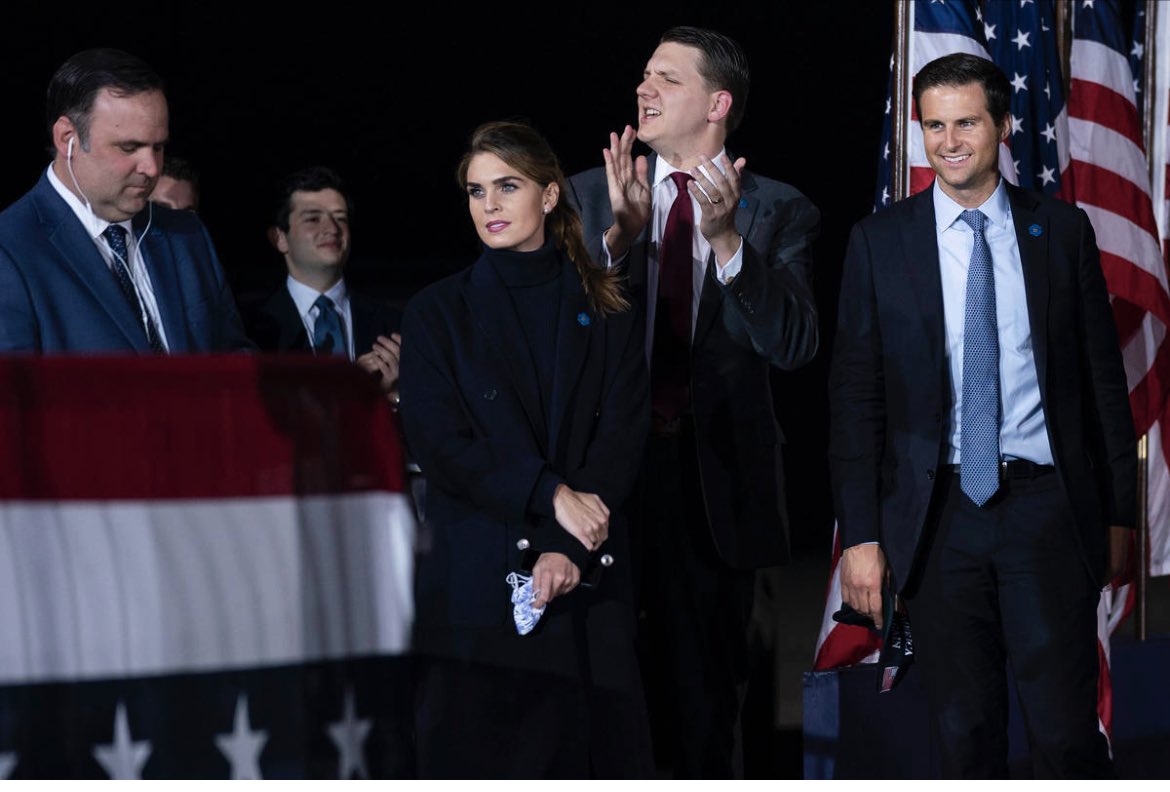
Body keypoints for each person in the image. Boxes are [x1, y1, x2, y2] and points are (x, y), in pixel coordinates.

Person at [829, 53, 1136, 778]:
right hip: (937, 517)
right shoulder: (879, 242)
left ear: (1002, 125)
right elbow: (854, 400)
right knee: (964, 733)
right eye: (934, 125)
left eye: (966, 121)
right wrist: (862, 535)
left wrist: (1121, 511)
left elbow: (1103, 388)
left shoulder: (1061, 232)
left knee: (1064, 733)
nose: (949, 140)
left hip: (1044, 510)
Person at [567, 26, 820, 777]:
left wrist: (728, 243)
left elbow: (795, 344)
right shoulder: (587, 196)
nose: (643, 90)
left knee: (705, 706)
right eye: (644, 74)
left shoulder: (777, 211)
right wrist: (617, 243)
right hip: (611, 480)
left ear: (718, 103)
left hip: (716, 493)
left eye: (666, 79)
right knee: (609, 697)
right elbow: (561, 346)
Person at [399, 120, 653, 778]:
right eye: (476, 191)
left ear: (548, 196)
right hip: (477, 583)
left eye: (506, 187)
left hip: (589, 583)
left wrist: (569, 546)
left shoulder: (608, 304)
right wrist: (550, 496)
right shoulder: (436, 311)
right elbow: (441, 443)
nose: (488, 205)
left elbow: (622, 435)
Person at [0, 47, 251, 353]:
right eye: (129, 147)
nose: (152, 168)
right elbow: (14, 396)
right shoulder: (10, 249)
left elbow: (237, 361)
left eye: (158, 147)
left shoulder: (187, 234)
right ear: (68, 139)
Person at [245, 166, 401, 400]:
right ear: (280, 238)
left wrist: (393, 396)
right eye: (313, 219)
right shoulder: (251, 332)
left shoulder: (394, 326)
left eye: (340, 218)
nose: (332, 229)